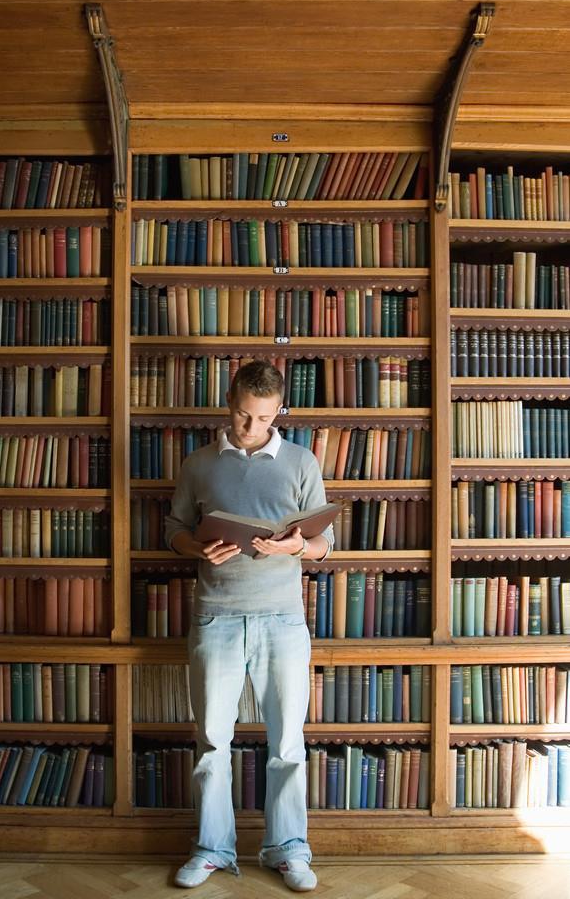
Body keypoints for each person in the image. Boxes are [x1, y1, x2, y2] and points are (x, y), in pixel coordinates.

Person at [165, 359, 334, 892]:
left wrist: (297, 546)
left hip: (283, 618)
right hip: (215, 614)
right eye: (242, 416)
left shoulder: (302, 461)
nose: (250, 428)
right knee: (212, 740)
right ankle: (213, 848)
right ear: (230, 402)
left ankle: (288, 850)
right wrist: (197, 546)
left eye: (262, 419)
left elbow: (323, 544)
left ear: (278, 411)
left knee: (287, 741)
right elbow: (174, 529)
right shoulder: (199, 464)